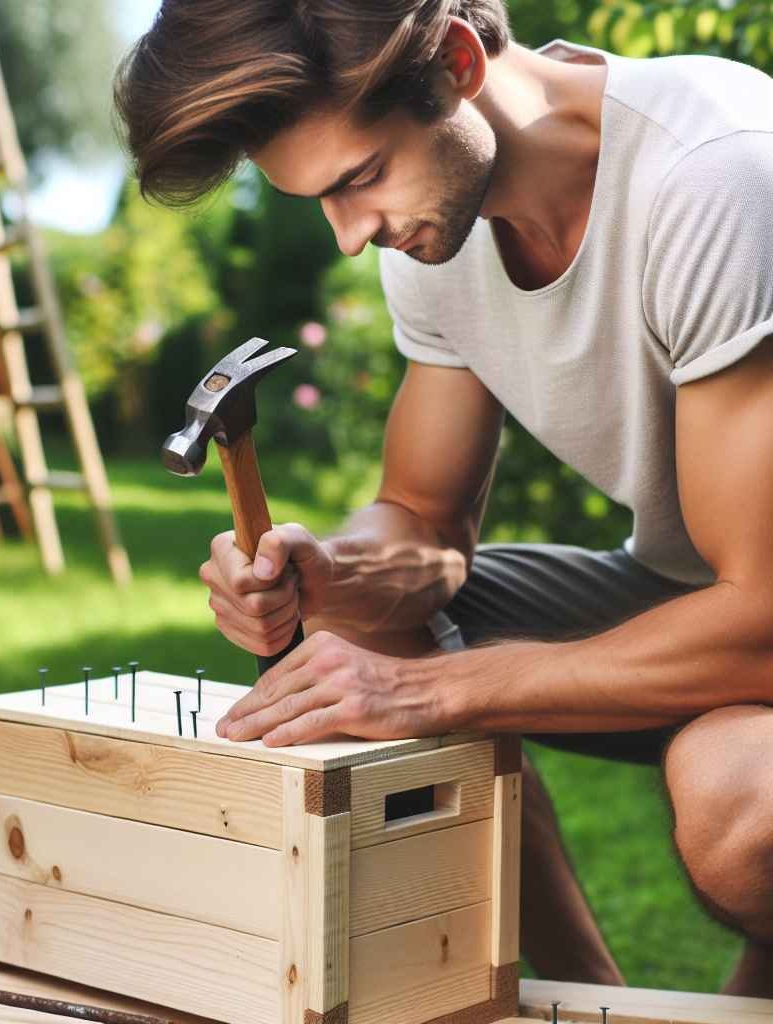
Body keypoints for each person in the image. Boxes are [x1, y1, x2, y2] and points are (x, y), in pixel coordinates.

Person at [113, 0, 773, 997]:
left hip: (753, 610)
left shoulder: (712, 174)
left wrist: (431, 693)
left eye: (360, 179)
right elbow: (420, 517)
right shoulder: (435, 228)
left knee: (737, 806)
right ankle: (593, 998)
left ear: (458, 62)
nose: (349, 236)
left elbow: (760, 618)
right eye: (319, 201)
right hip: (691, 587)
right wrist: (329, 571)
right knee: (358, 623)